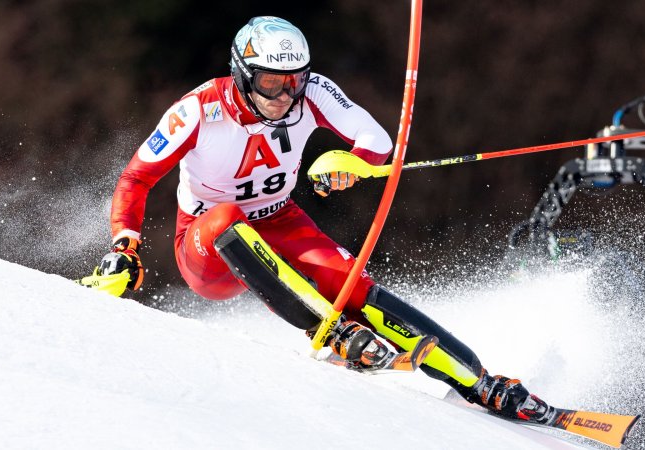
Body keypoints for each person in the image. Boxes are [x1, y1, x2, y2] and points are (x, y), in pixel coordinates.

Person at [96, 16, 550, 424]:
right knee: (226, 217)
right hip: (208, 248)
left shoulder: (312, 94)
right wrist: (125, 247)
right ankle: (330, 331)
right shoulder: (198, 111)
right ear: (243, 74)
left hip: (279, 221)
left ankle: (480, 383)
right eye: (271, 83)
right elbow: (136, 178)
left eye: (294, 82)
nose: (284, 96)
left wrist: (347, 161)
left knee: (352, 285)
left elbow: (376, 141)